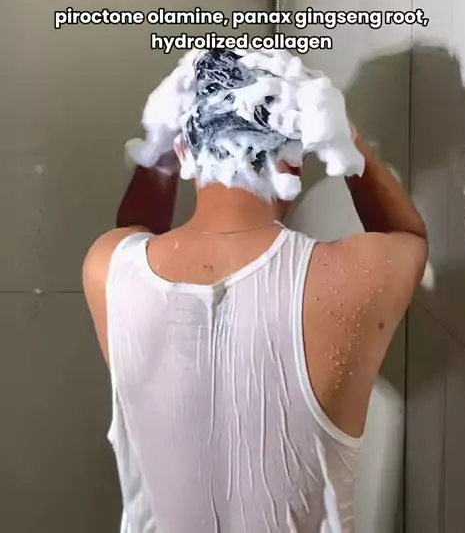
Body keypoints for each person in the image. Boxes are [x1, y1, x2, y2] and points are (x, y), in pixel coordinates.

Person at [83, 49, 427, 533]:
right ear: (297, 160)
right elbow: (408, 237)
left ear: (182, 152)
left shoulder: (107, 268)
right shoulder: (355, 276)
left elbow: (135, 231)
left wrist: (156, 145)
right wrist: (348, 144)